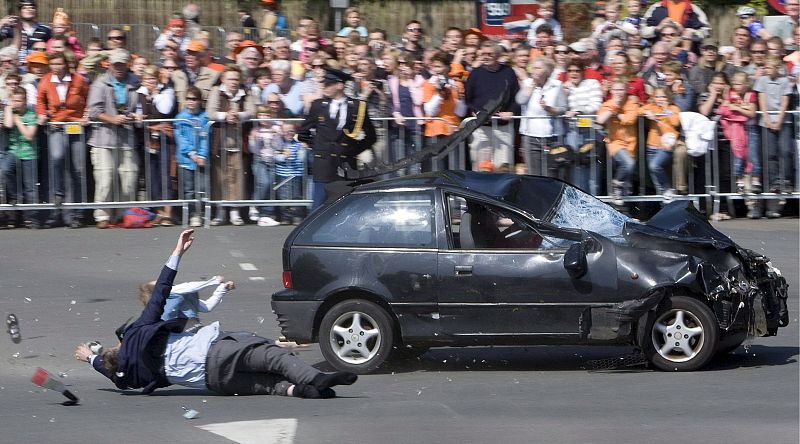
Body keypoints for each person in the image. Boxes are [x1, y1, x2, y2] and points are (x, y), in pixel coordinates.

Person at [74, 229, 358, 398]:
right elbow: (161, 291)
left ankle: (302, 391)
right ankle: (315, 379)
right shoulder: (136, 335)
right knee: (271, 355)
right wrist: (177, 252)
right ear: (121, 345)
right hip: (214, 352)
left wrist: (92, 359)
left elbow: (112, 374)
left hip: (212, 381)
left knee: (267, 385)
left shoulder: (129, 377)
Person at [297, 67, 376, 209]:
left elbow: (371, 136)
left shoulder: (357, 107)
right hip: (324, 164)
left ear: (339, 85)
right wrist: (320, 147)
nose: (324, 87)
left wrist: (352, 150)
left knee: (345, 206)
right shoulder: (318, 106)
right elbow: (303, 133)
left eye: (327, 84)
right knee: (319, 206)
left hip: (345, 164)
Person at [36, 51, 89, 228]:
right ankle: (58, 192)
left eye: (59, 64)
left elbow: (88, 98)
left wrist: (86, 115)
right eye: (53, 64)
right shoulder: (46, 81)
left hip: (75, 127)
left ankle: (78, 213)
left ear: (65, 64)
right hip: (57, 127)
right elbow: (40, 101)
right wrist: (42, 114)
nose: (56, 67)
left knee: (78, 170)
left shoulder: (78, 80)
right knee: (57, 157)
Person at [87, 49, 139, 229]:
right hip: (103, 138)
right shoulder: (100, 83)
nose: (118, 68)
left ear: (127, 65)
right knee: (105, 177)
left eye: (122, 64)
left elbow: (139, 105)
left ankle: (124, 213)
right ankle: (102, 214)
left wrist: (135, 115)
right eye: (115, 64)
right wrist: (112, 119)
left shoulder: (134, 82)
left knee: (129, 176)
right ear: (109, 64)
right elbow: (93, 111)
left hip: (126, 138)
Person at [206, 65, 256, 226]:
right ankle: (220, 213)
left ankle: (235, 213)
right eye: (230, 79)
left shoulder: (246, 92)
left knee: (236, 179)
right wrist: (225, 116)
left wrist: (239, 115)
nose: (233, 82)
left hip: (239, 143)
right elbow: (210, 112)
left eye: (236, 78)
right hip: (220, 142)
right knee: (220, 179)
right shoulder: (216, 92)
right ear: (223, 79)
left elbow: (251, 111)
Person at [464, 41, 520, 171]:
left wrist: (511, 112)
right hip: (481, 128)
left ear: (497, 55)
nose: (486, 56)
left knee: (503, 167)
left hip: (503, 127)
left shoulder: (508, 72)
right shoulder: (475, 74)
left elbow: (516, 97)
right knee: (481, 167)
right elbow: (468, 99)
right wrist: (475, 112)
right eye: (483, 54)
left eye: (490, 54)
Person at [753, 55, 794, 213]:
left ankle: (786, 181)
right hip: (767, 121)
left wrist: (779, 120)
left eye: (770, 67)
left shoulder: (784, 82)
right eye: (766, 67)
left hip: (783, 121)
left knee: (785, 150)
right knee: (770, 153)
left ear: (777, 68)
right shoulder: (762, 81)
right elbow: (761, 101)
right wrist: (767, 119)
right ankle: (775, 181)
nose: (768, 70)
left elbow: (785, 102)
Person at [515, 56, 566, 176]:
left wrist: (549, 109)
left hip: (552, 137)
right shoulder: (527, 84)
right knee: (534, 174)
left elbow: (563, 108)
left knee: (551, 174)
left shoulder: (557, 85)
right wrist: (530, 88)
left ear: (547, 71)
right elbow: (520, 100)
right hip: (531, 136)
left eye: (538, 68)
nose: (534, 71)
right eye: (533, 68)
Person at [138, 273, 234, 330]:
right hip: (188, 330)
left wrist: (222, 289)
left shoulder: (180, 296)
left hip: (193, 329)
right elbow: (191, 286)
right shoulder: (171, 292)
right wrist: (214, 281)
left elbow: (207, 307)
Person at [597, 79, 640, 206]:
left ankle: (624, 210)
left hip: (630, 144)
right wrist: (612, 109)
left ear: (626, 90)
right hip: (615, 143)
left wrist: (618, 115)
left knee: (628, 183)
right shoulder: (608, 104)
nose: (618, 92)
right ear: (611, 91)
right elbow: (600, 120)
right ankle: (616, 183)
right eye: (615, 89)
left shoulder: (631, 104)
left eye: (621, 89)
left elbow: (630, 119)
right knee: (629, 164)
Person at [3, 86, 41, 227]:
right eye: (14, 100)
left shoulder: (31, 115)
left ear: (25, 101)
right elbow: (7, 124)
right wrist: (8, 108)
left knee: (30, 187)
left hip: (29, 153)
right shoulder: (11, 111)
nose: (17, 103)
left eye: (19, 100)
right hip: (14, 151)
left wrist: (18, 121)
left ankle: (31, 217)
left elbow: (29, 136)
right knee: (5, 169)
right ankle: (14, 196)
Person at [174, 86, 208, 228]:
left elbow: (205, 138)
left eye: (194, 99)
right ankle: (190, 214)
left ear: (199, 100)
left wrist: (202, 154)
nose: (191, 102)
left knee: (201, 188)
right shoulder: (180, 118)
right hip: (186, 159)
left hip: (200, 160)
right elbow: (180, 137)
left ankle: (199, 214)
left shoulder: (204, 118)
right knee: (188, 189)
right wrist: (191, 153)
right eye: (188, 99)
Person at [640, 87, 680, 198]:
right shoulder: (652, 107)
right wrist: (647, 112)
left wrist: (666, 109)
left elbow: (675, 122)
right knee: (656, 181)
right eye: (657, 96)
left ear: (668, 97)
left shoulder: (673, 108)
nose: (660, 99)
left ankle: (667, 188)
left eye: (662, 96)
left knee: (654, 166)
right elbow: (640, 110)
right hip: (651, 146)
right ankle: (665, 203)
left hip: (666, 145)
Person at [0, 0, 51, 73]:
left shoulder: (45, 29)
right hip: (17, 68)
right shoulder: (13, 28)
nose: (28, 10)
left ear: (35, 10)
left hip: (37, 68)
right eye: (25, 8)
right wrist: (1, 23)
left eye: (32, 7)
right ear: (20, 11)